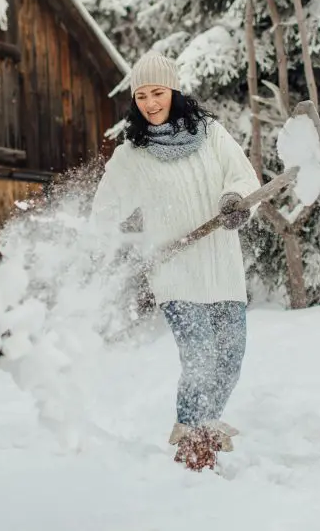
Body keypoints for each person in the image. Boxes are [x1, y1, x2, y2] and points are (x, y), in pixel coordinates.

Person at [91, 50, 261, 462]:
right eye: (142, 95)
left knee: (229, 359)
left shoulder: (212, 134)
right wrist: (116, 246)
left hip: (222, 266)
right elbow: (105, 210)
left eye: (158, 92)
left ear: (174, 91)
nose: (150, 103)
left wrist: (234, 201)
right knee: (200, 357)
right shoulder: (132, 155)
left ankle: (204, 426)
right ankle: (194, 444)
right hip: (175, 273)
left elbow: (241, 177)